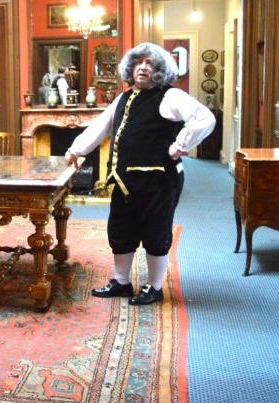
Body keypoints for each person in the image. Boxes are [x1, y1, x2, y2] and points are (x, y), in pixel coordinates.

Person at [65, 43, 215, 305]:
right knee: (121, 229)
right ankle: (121, 282)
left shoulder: (170, 96)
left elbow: (205, 118)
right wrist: (76, 150)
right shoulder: (123, 97)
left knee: (155, 232)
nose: (143, 67)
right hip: (124, 181)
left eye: (151, 64)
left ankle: (153, 287)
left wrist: (179, 146)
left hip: (159, 181)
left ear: (160, 71)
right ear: (130, 67)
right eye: (139, 62)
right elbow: (100, 127)